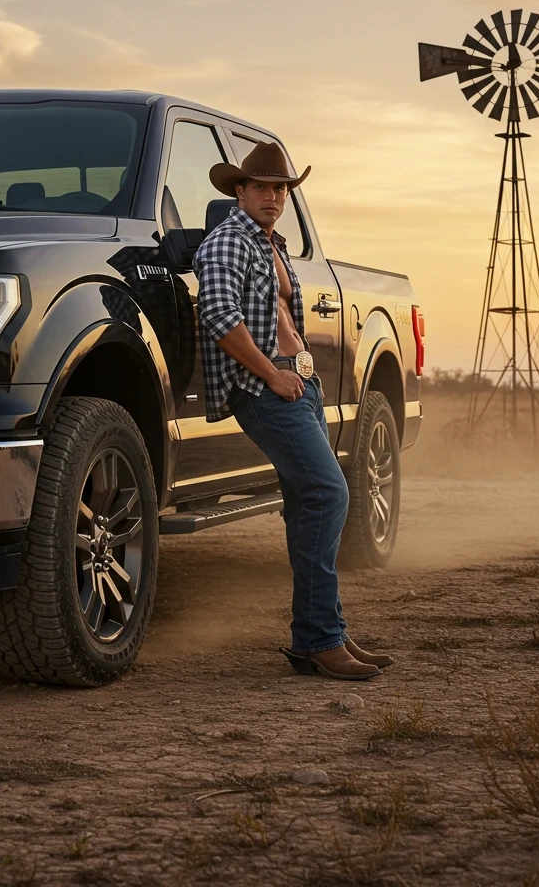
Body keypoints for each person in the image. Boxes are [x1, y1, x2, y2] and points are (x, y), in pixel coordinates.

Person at [192, 140, 393, 681]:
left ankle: (324, 637)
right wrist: (272, 374)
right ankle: (319, 638)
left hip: (297, 387)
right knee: (329, 492)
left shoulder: (269, 244)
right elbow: (217, 315)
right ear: (239, 191)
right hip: (265, 389)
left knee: (310, 504)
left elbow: (281, 316)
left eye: (281, 188)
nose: (273, 197)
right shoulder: (227, 243)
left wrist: (300, 377)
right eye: (261, 187)